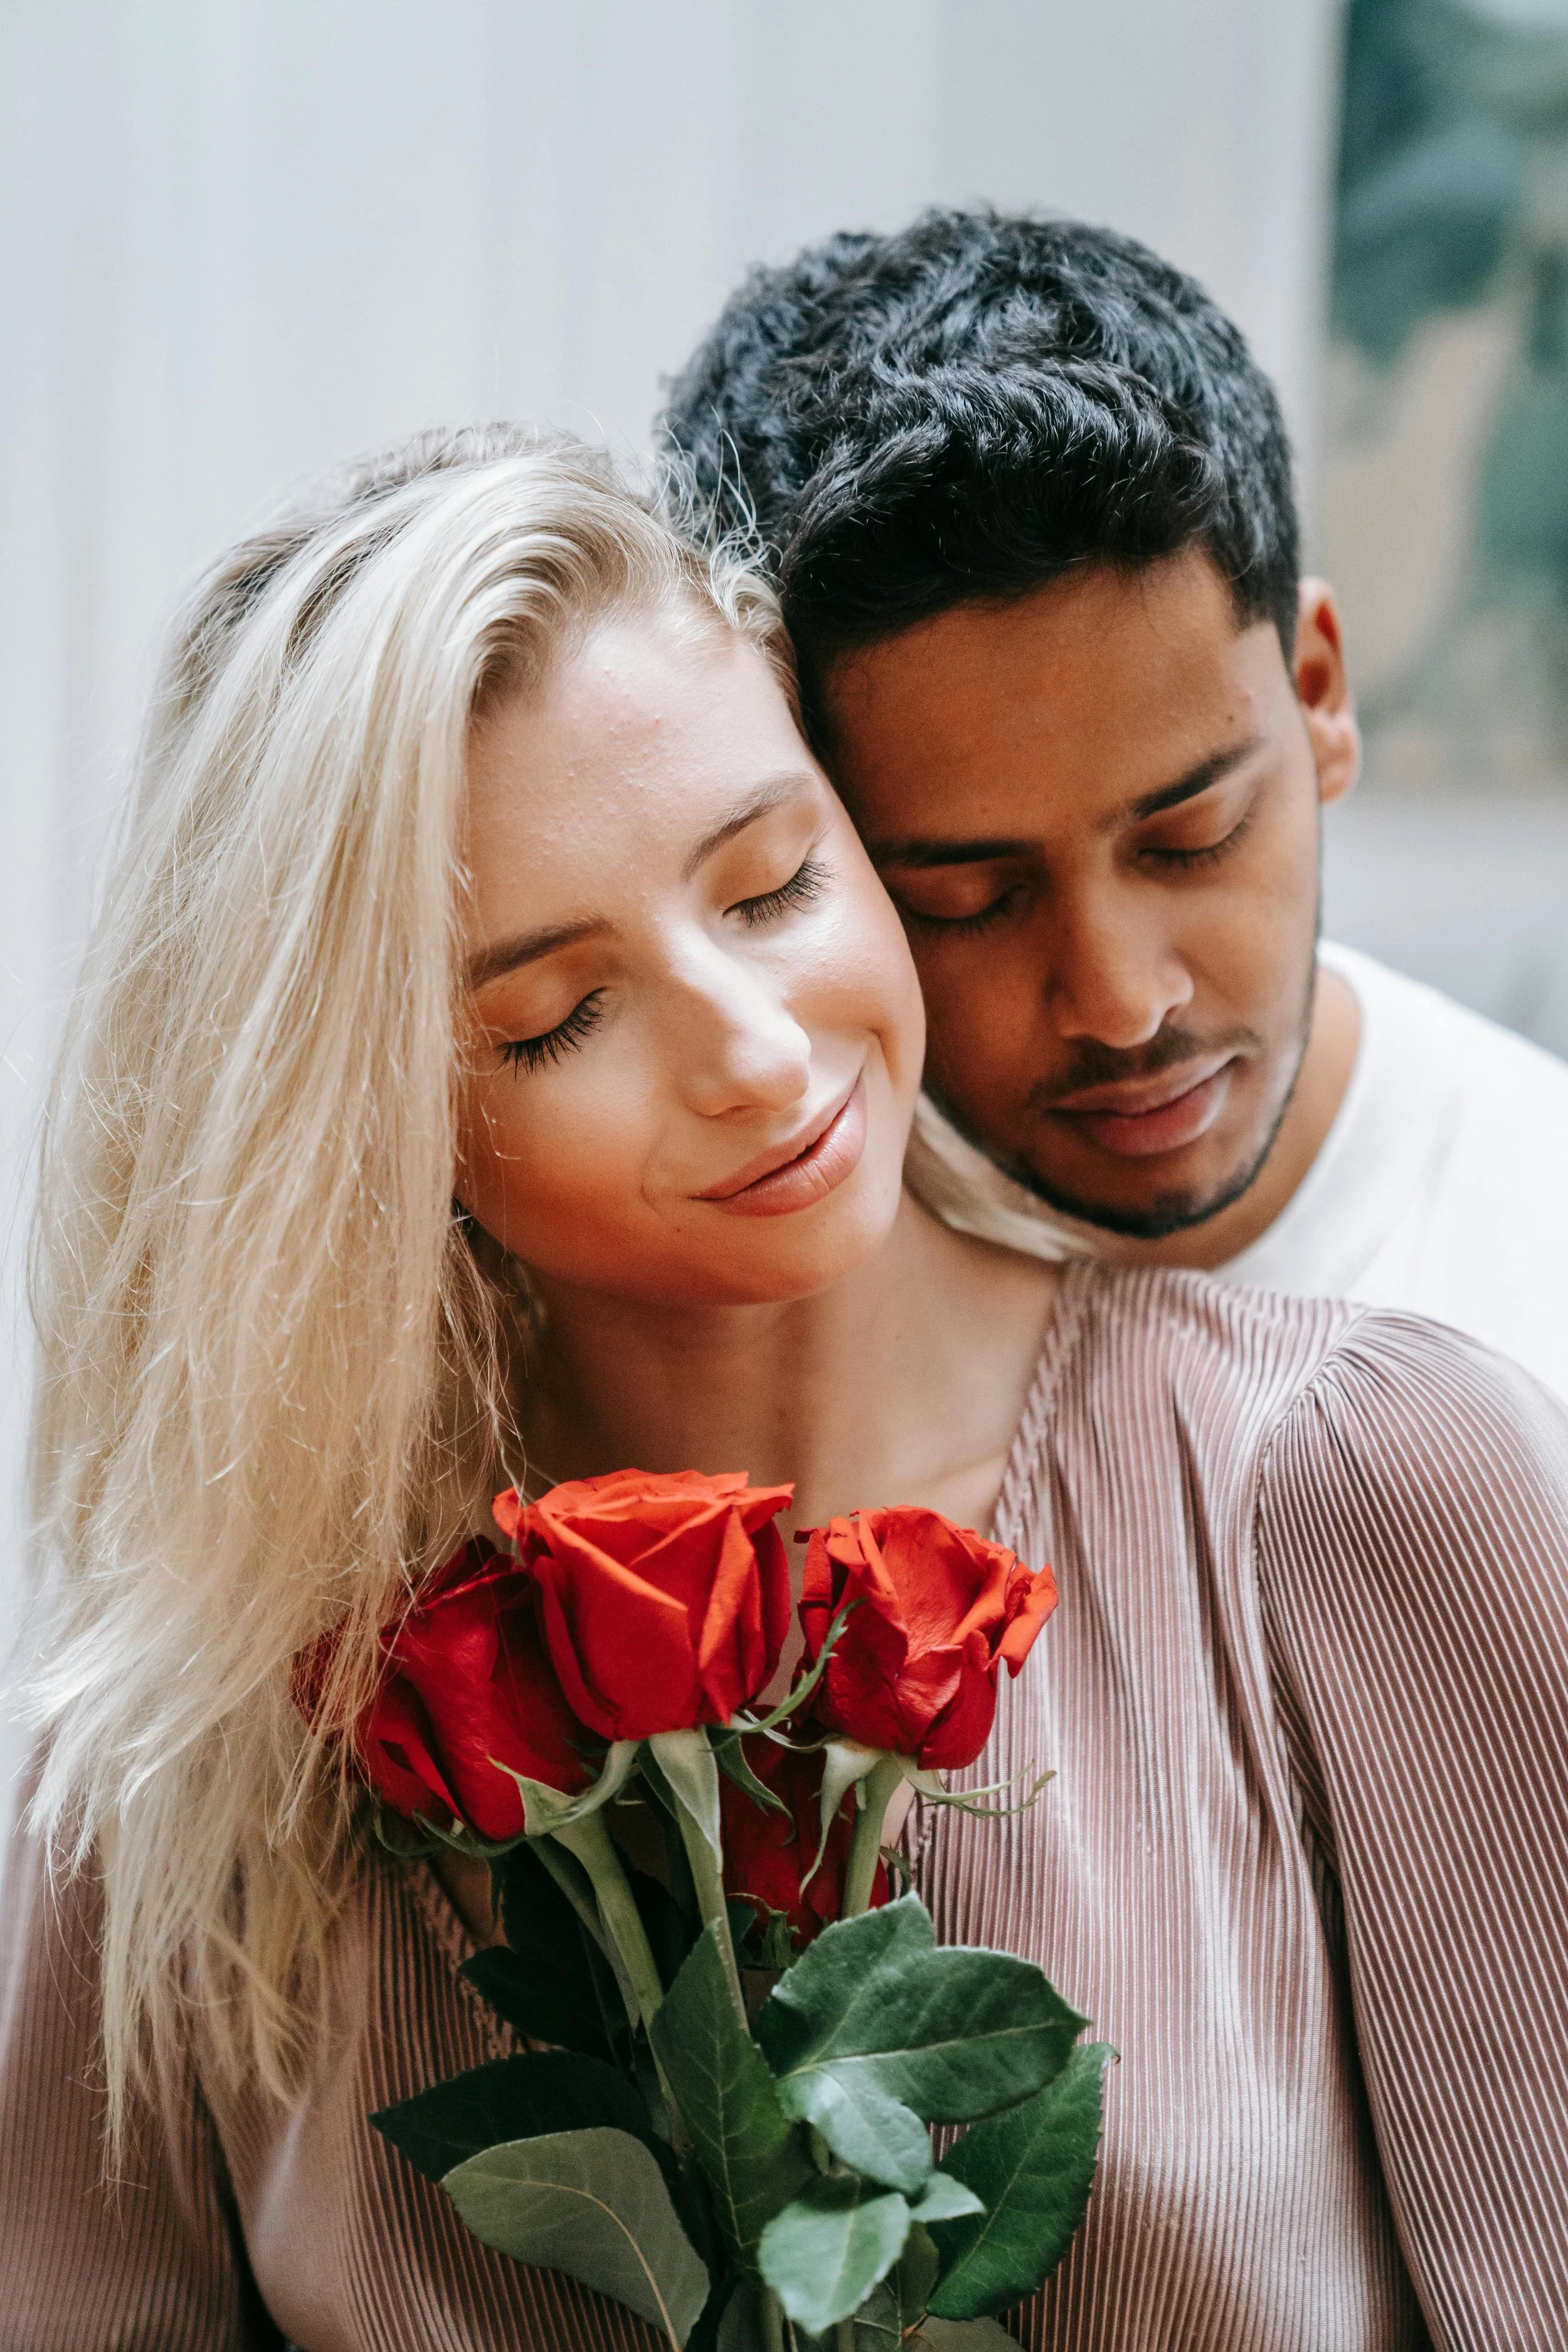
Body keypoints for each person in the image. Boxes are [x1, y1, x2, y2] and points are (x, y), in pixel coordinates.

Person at [1, 426, 1565, 2352]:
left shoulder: (1357, 1491)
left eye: (769, 884)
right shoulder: (189, 1765)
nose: (754, 1047)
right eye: (555, 1014)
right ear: (377, 1132)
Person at [661, 208, 1568, 1405]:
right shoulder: (718, 1298)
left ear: (1319, 693)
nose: (1124, 1004)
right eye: (965, 899)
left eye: (1193, 837)